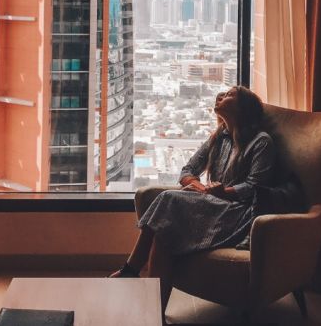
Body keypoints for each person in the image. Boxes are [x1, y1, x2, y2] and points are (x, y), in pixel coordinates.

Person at [109, 86, 276, 309]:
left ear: (242, 108)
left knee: (168, 199)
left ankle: (131, 270)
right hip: (214, 206)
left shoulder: (261, 142)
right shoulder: (218, 138)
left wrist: (224, 192)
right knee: (163, 234)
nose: (220, 96)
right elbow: (187, 171)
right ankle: (155, 314)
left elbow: (257, 187)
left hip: (240, 214)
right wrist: (201, 189)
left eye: (229, 95)